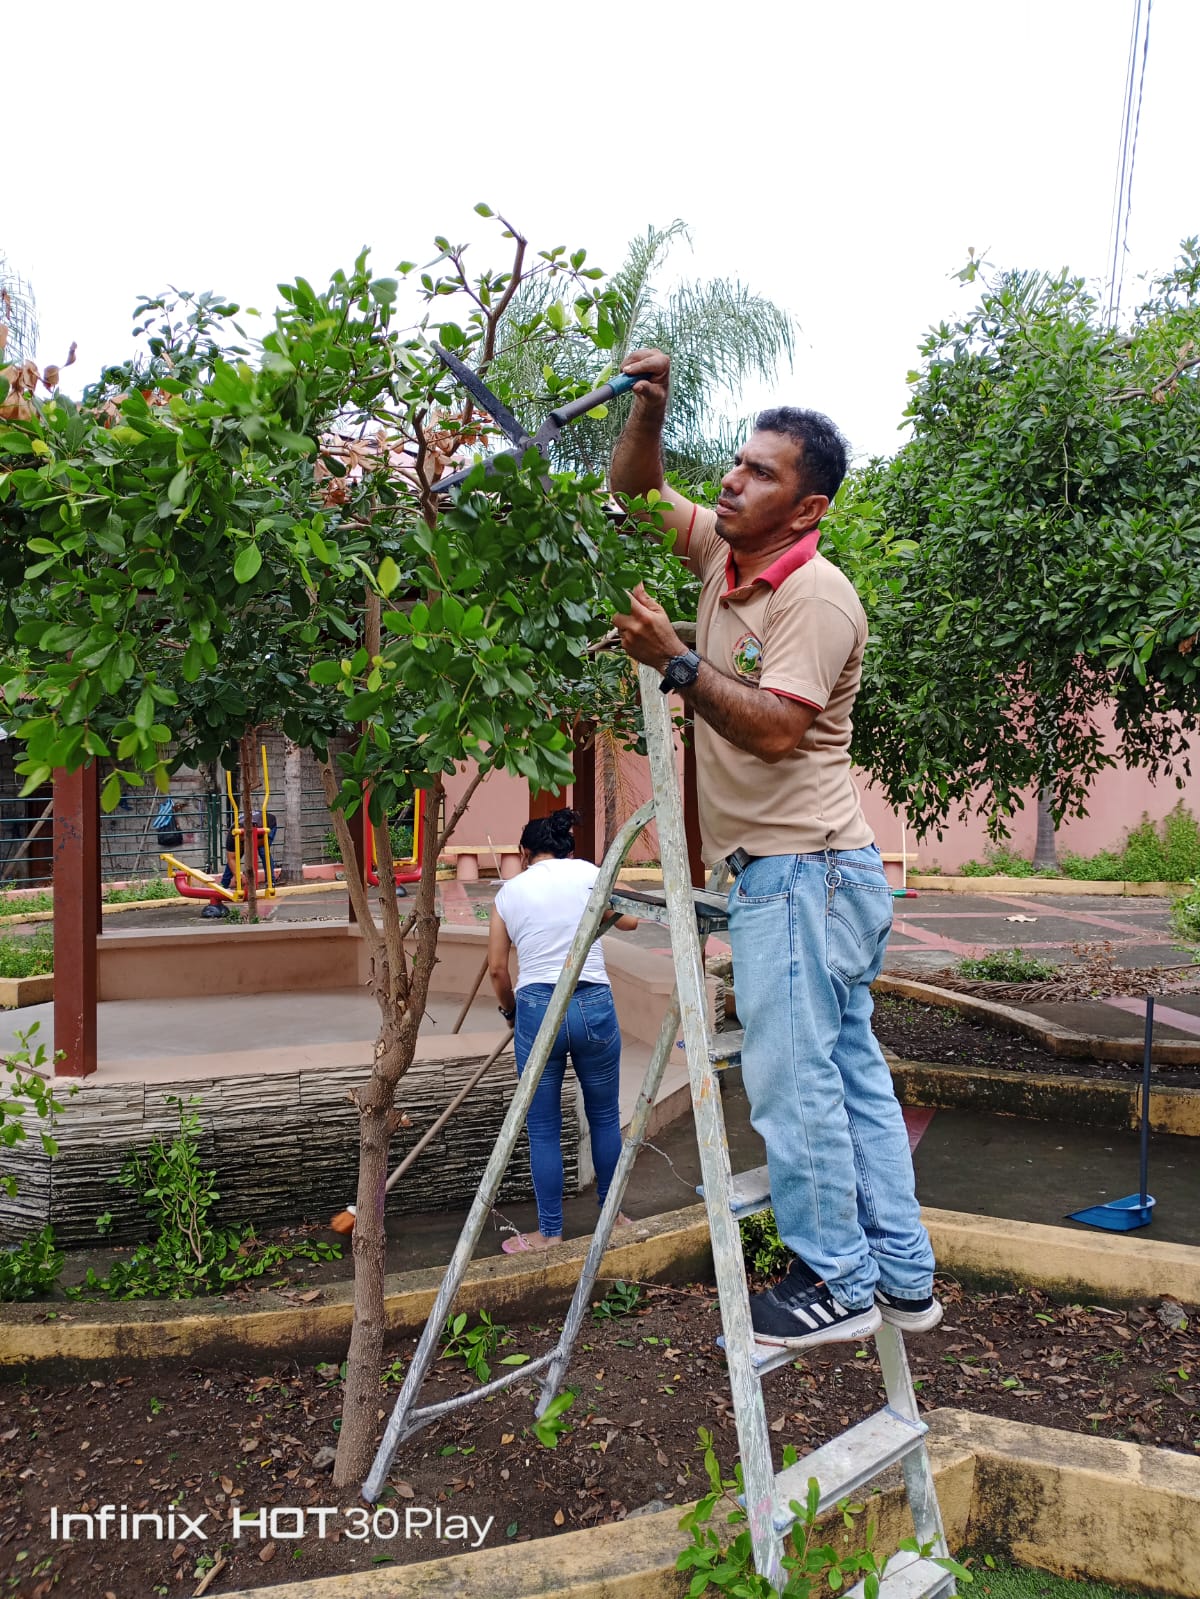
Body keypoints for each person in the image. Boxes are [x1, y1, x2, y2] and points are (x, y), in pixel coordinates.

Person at [608, 348, 939, 1350]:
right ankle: (901, 1275)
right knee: (850, 1078)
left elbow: (778, 730)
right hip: (806, 874)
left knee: (797, 1085)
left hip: (803, 872)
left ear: (807, 508)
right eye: (737, 462)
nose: (732, 480)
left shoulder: (814, 595)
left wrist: (676, 661)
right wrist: (650, 409)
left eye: (760, 473)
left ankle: (835, 1277)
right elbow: (637, 497)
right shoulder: (726, 560)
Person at [488, 808, 638, 1254]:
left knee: (543, 1128)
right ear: (566, 848)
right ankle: (614, 1217)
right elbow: (631, 920)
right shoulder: (589, 875)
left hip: (537, 1009)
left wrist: (511, 1013)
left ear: (524, 852)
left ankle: (549, 1233)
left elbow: (497, 970)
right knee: (605, 1117)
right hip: (593, 1003)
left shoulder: (509, 893)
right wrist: (605, 880)